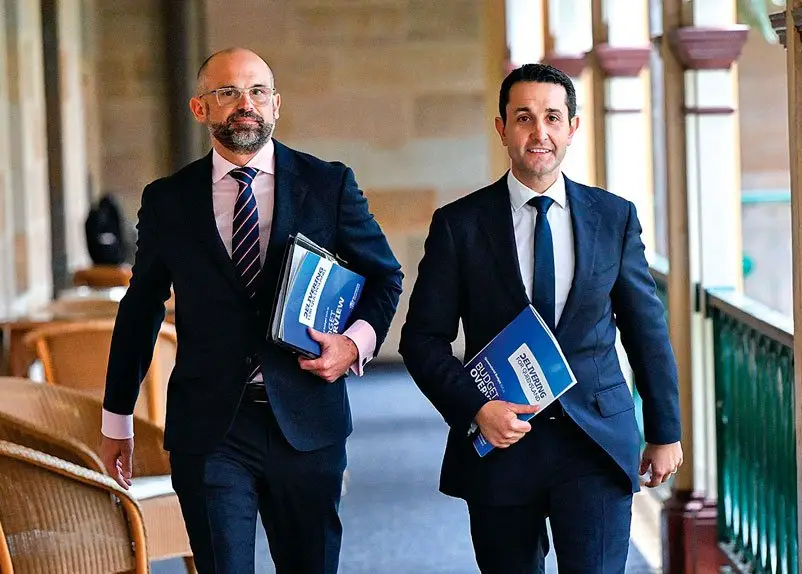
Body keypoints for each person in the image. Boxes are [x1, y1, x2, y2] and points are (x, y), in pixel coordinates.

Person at [100, 47, 402, 573]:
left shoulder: (328, 185)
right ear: (201, 109)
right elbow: (141, 308)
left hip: (308, 420)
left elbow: (385, 276)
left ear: (276, 105)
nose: (246, 104)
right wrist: (117, 418)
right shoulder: (168, 200)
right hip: (213, 429)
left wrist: (354, 343)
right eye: (228, 92)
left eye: (258, 91)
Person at [399, 63, 683, 573]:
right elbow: (422, 339)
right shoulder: (459, 226)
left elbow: (646, 329)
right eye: (524, 117)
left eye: (552, 117)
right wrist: (475, 409)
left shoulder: (613, 217)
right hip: (501, 443)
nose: (539, 132)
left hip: (594, 441)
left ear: (572, 127)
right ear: (502, 128)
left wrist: (664, 431)